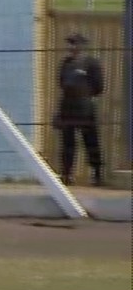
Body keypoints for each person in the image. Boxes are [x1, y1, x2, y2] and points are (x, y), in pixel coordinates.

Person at [55, 33, 105, 186]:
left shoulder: (92, 64)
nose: (72, 47)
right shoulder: (66, 63)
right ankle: (67, 174)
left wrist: (86, 94)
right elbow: (62, 83)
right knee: (68, 143)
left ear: (83, 46)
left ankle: (96, 174)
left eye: (75, 44)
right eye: (70, 44)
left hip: (85, 107)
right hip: (68, 106)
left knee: (91, 141)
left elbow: (98, 87)